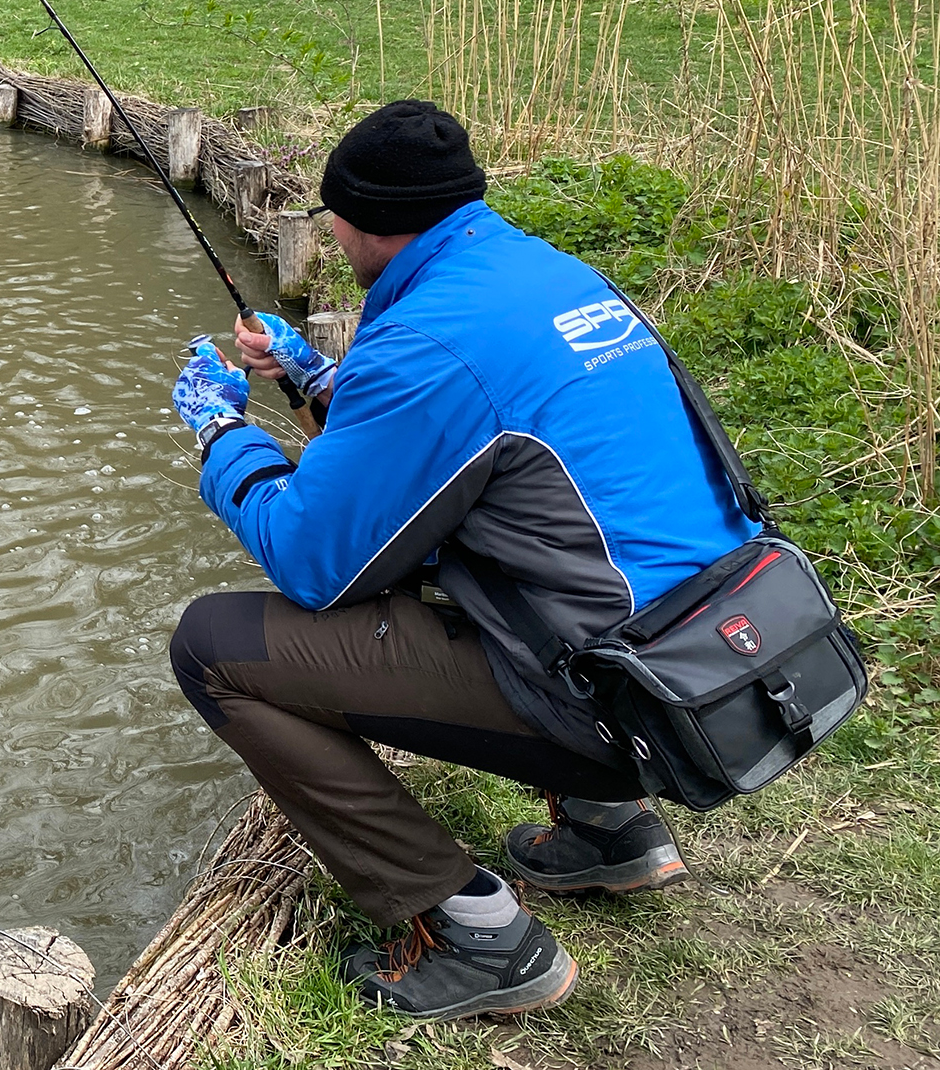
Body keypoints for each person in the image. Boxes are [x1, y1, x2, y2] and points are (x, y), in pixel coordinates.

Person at [166, 99, 761, 1022]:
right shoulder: (540, 272)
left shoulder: (429, 343)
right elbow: (466, 454)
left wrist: (221, 429)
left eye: (332, 216)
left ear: (363, 225)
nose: (327, 229)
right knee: (477, 553)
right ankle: (609, 828)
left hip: (626, 704)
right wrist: (319, 377)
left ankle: (476, 931)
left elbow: (312, 560)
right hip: (720, 658)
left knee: (212, 646)